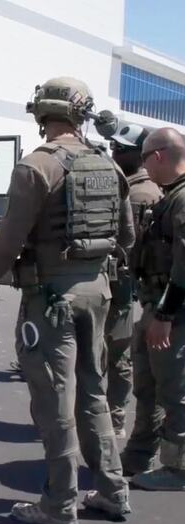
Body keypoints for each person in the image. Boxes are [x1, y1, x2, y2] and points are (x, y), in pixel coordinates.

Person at [0, 77, 133, 523]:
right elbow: (126, 237)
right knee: (94, 393)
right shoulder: (110, 166)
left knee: (54, 399)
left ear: (43, 113)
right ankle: (113, 491)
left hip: (50, 297)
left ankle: (59, 504)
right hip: (97, 293)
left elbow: (9, 239)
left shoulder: (36, 166)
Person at [122, 127, 185, 491]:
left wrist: (164, 315)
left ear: (158, 156)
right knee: (147, 386)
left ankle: (177, 469)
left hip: (173, 314)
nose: (143, 166)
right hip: (156, 307)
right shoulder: (169, 196)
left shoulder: (181, 199)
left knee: (175, 391)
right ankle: (141, 452)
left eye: (145, 158)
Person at [103, 123, 162, 438]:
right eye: (113, 147)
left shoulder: (142, 193)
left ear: (139, 154)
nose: (114, 153)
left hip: (122, 281)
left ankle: (115, 418)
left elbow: (132, 245)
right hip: (116, 280)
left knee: (117, 351)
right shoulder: (127, 185)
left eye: (121, 149)